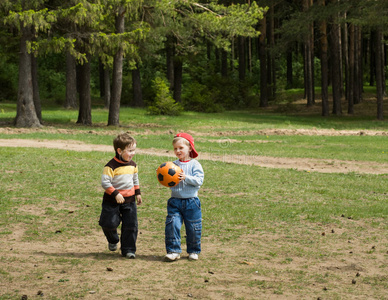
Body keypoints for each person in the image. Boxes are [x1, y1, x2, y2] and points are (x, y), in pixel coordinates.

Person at [99, 133, 142, 259]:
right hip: (111, 201)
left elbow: (135, 180)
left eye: (134, 150)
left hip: (129, 201)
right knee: (108, 224)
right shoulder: (110, 166)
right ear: (119, 150)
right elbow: (105, 182)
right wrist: (116, 194)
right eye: (129, 151)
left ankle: (128, 249)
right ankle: (113, 240)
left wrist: (138, 193)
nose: (132, 153)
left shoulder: (133, 165)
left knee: (131, 225)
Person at [165, 133, 204, 261]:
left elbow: (199, 180)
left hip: (192, 201)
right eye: (175, 148)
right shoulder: (172, 165)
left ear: (190, 148)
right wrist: (163, 174)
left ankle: (193, 251)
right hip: (175, 201)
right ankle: (173, 250)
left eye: (181, 148)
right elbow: (167, 178)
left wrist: (186, 178)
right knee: (173, 225)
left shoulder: (195, 164)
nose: (178, 151)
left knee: (193, 227)